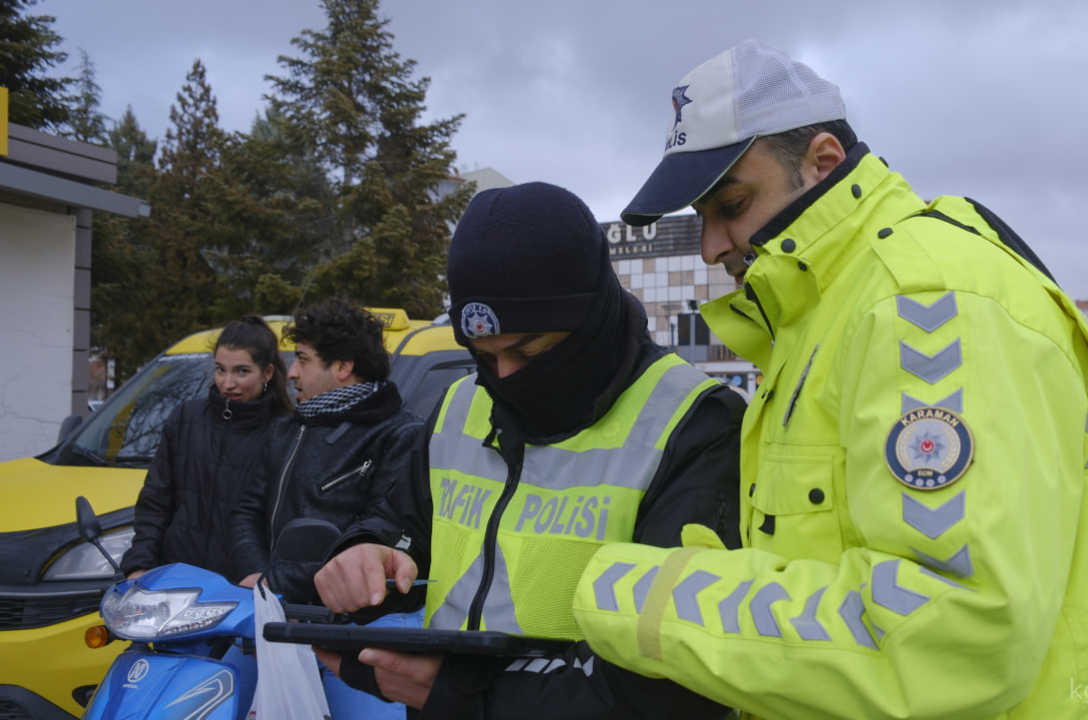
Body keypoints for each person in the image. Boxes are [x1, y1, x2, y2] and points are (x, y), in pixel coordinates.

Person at [571, 40, 1088, 719]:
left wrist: (642, 598)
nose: (710, 246)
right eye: (701, 218)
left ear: (821, 162)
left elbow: (948, 638)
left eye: (731, 204)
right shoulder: (831, 309)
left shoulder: (923, 304)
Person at [310, 181, 745, 718]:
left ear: (592, 320)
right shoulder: (460, 404)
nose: (504, 377)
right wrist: (369, 550)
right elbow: (403, 522)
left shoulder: (695, 423)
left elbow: (676, 682)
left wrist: (467, 697)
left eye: (529, 351)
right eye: (483, 354)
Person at [228, 298, 428, 718]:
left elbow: (378, 536)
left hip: (359, 635)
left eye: (302, 360)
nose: (292, 373)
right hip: (275, 621)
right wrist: (259, 580)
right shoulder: (288, 429)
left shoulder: (400, 435)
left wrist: (275, 582)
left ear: (343, 367)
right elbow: (246, 509)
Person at [121, 315, 291, 582]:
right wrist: (139, 566)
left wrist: (266, 578)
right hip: (175, 578)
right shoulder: (186, 418)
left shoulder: (285, 431)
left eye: (242, 371)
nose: (227, 383)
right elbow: (155, 502)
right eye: (220, 369)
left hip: (244, 586)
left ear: (267, 373)